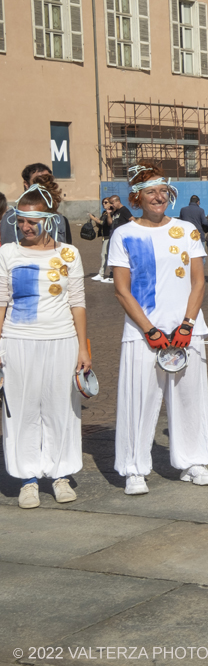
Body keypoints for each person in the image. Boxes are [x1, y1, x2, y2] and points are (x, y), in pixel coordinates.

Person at [109, 164, 208, 495]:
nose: (158, 197)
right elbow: (122, 290)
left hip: (186, 329)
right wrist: (150, 330)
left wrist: (187, 323)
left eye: (163, 191)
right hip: (143, 332)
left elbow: (199, 282)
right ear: (137, 197)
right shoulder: (124, 234)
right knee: (138, 399)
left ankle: (192, 461)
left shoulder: (186, 230)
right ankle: (134, 468)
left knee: (190, 398)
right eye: (150, 191)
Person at [0, 181, 89, 508]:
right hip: (18, 341)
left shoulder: (69, 253)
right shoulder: (7, 253)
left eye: (32, 222)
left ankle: (60, 474)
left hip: (62, 340)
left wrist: (83, 348)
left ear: (49, 220)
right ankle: (28, 479)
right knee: (22, 411)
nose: (24, 227)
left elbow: (77, 302)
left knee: (60, 408)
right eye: (20, 220)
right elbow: (1, 302)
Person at [1, 163, 73, 246]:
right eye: (38, 182)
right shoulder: (11, 218)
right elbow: (8, 253)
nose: (44, 187)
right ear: (26, 185)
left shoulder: (58, 218)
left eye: (47, 182)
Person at [88, 197, 114, 282]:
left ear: (110, 203)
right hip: (104, 236)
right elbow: (101, 224)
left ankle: (103, 274)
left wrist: (94, 218)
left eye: (106, 202)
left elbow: (103, 223)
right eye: (103, 203)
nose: (104, 204)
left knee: (105, 255)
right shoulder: (104, 213)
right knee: (105, 255)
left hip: (109, 236)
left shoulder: (112, 213)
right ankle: (104, 274)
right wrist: (96, 220)